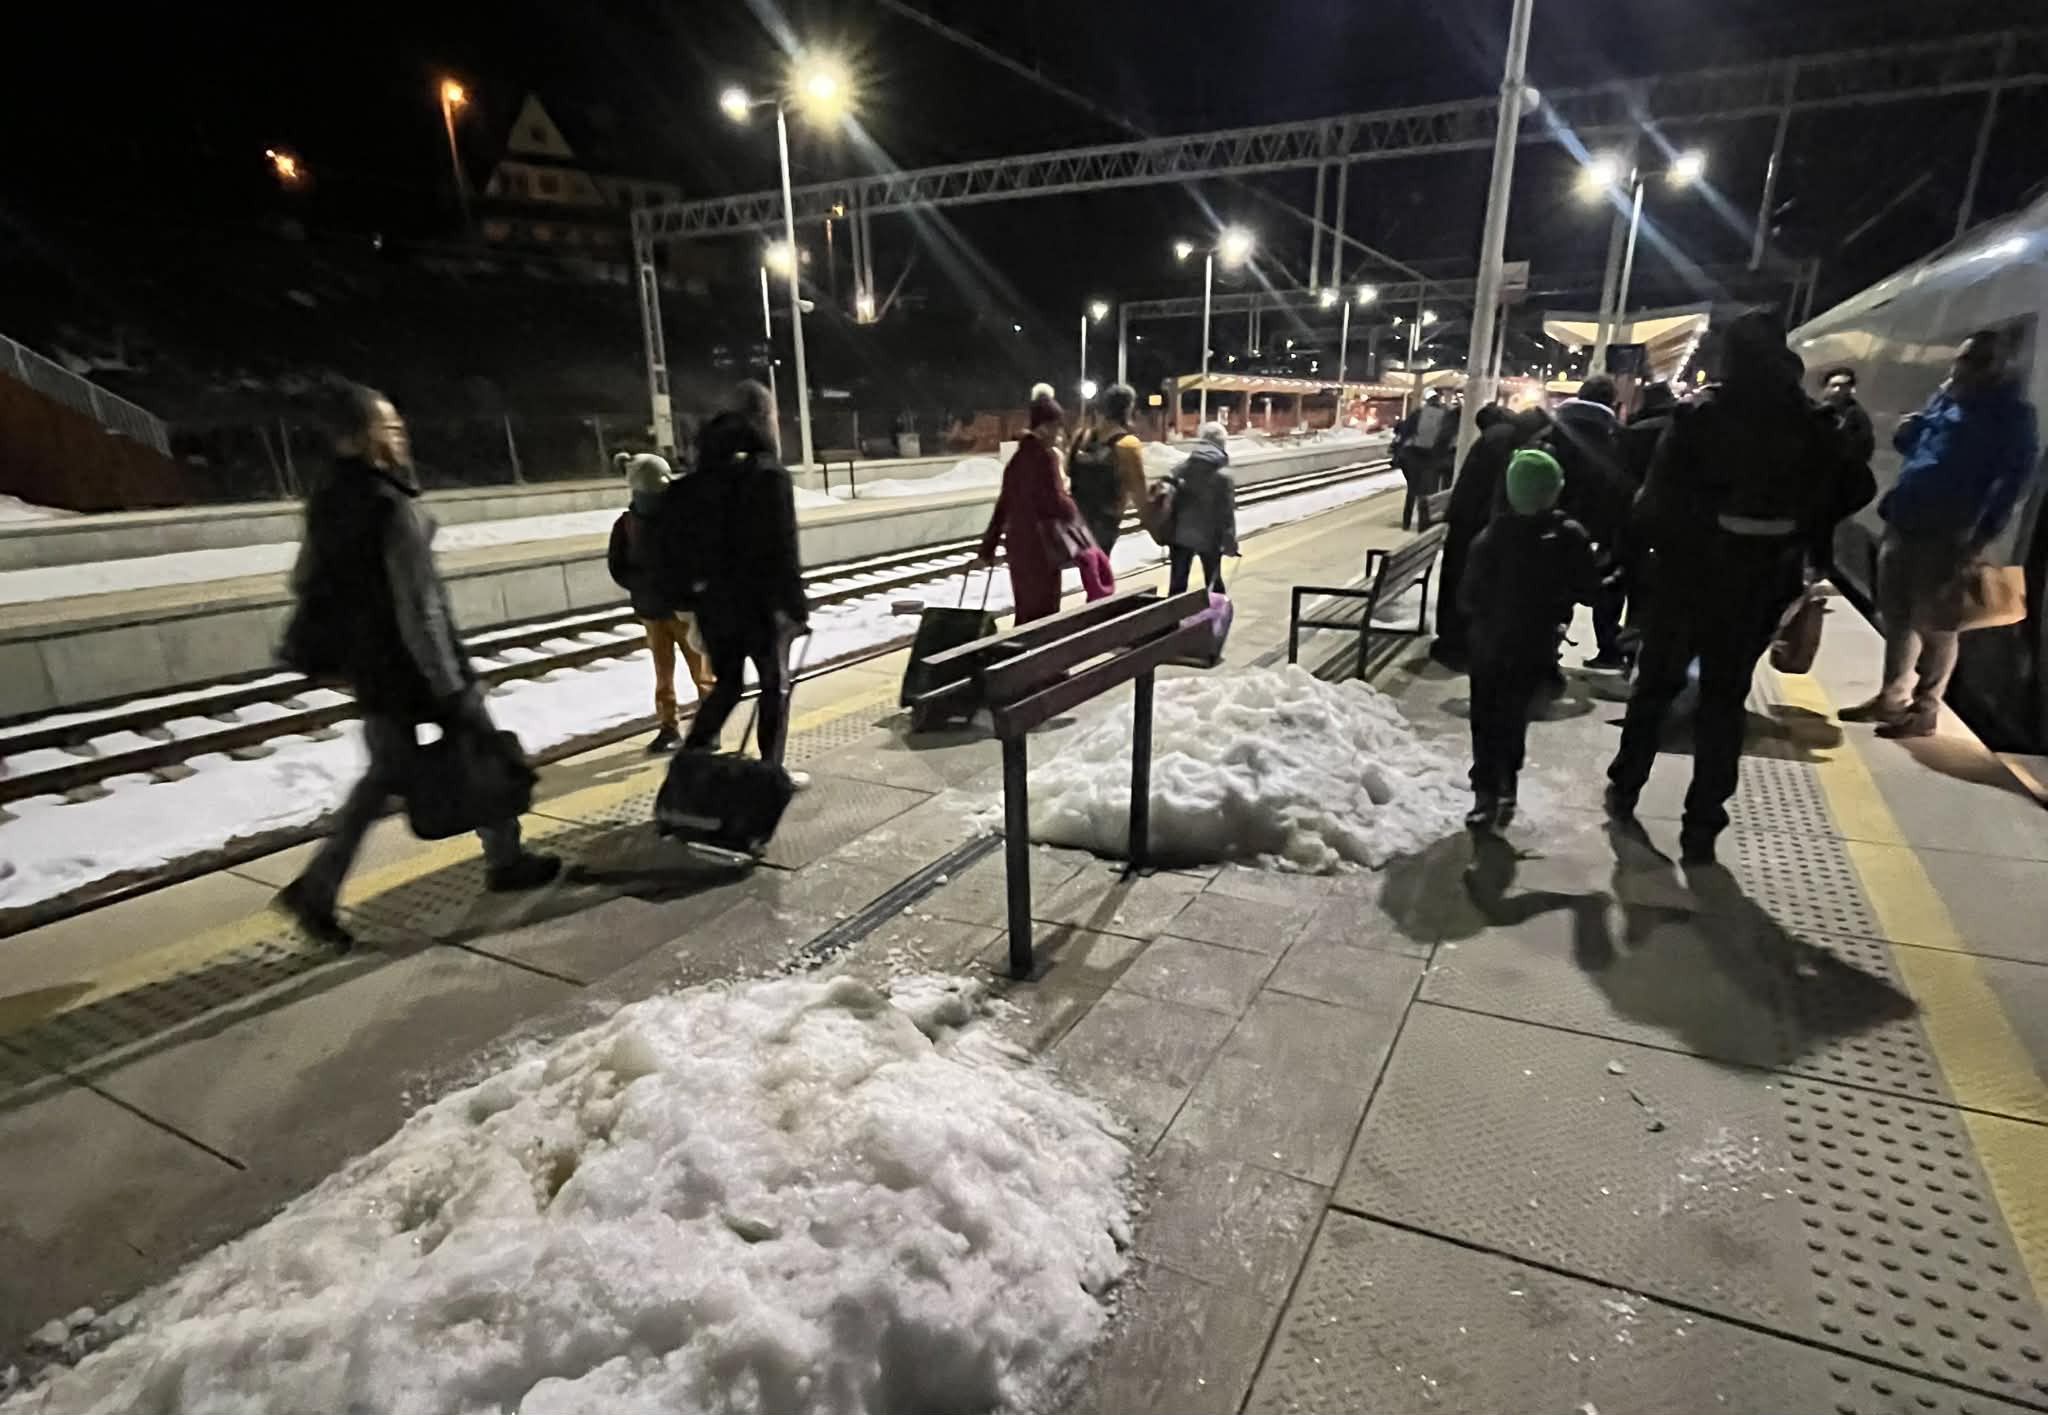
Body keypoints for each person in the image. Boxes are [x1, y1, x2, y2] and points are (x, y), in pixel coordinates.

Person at [275, 384, 560, 949]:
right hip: (420, 670)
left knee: (381, 780)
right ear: (360, 437)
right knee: (486, 752)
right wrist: (450, 684)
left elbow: (304, 580)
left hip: (375, 670)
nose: (400, 435)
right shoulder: (390, 503)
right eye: (390, 427)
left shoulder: (329, 497)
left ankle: (318, 888)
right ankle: (506, 859)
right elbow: (419, 607)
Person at [1606, 312, 1876, 862]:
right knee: (1724, 699)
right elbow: (1856, 485)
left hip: (1689, 578)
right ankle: (1703, 822)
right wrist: (1801, 523)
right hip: (1761, 581)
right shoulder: (1812, 422)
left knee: (1656, 685)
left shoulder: (1700, 417)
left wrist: (1678, 537)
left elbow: (1652, 505)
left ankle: (1627, 783)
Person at [1839, 332, 2038, 738]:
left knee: (1936, 623)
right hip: (1905, 518)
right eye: (1960, 358)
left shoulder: (2012, 415)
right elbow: (1911, 445)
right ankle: (1890, 700)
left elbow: (2013, 480)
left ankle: (1925, 710)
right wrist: (1909, 428)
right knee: (1895, 615)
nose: (1957, 367)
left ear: (1995, 366)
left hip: (1950, 531)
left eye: (1970, 360)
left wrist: (1981, 537)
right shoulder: (1947, 397)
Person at [1460, 447, 1601, 831]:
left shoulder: (1490, 537)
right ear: (1554, 491)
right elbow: (1590, 588)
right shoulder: (1568, 536)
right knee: (1514, 716)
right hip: (1534, 645)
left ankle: (1485, 793)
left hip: (1488, 646)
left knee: (1485, 719)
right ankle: (1507, 782)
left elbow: (1467, 597)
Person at [680, 381, 809, 777]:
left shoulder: (704, 471)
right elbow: (781, 549)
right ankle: (769, 773)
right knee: (773, 685)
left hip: (715, 605)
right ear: (764, 418)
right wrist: (794, 607)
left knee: (728, 684)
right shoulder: (768, 474)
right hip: (760, 605)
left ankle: (690, 764)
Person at [607, 452, 715, 753]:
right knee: (675, 674)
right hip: (663, 611)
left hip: (675, 611)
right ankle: (673, 726)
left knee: (696, 672)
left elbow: (619, 568)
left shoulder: (674, 521)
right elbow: (618, 566)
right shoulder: (628, 525)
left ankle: (702, 726)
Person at [1432, 404, 1550, 668]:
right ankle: (1456, 644)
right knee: (1463, 581)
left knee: (1455, 579)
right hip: (1474, 522)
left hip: (1465, 518)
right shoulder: (1504, 439)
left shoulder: (1499, 436)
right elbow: (1497, 488)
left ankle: (1451, 641)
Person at [979, 392, 1105, 622]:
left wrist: (988, 546)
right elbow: (1055, 501)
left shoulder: (1016, 460)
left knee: (1025, 609)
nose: (1058, 435)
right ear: (1045, 427)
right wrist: (1075, 513)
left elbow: (1003, 504)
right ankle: (1039, 656)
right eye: (1057, 428)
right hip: (1042, 547)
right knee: (1044, 612)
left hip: (1018, 547)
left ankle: (1021, 654)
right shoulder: (1045, 458)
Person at [1538, 376, 1632, 671]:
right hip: (1603, 529)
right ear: (1611, 403)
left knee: (1553, 590)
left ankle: (1547, 652)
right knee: (1606, 591)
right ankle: (1607, 649)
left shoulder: (1553, 432)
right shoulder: (1619, 437)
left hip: (1554, 524)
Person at [1066, 383, 1153, 554]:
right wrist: (1159, 532)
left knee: (1089, 571)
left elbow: (1067, 471)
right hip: (1105, 526)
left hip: (1076, 522)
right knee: (1099, 573)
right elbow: (1140, 496)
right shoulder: (1128, 445)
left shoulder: (1079, 437)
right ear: (1128, 409)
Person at [1164, 420, 1238, 594]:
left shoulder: (1181, 468)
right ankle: (1215, 618)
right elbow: (1226, 513)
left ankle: (1172, 620)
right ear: (1222, 444)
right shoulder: (1223, 475)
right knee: (1214, 584)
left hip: (1180, 536)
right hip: (1210, 538)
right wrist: (1230, 540)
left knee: (1177, 586)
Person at [1394, 390, 1456, 529]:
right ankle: (1425, 524)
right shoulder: (1445, 415)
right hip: (1432, 457)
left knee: (1412, 490)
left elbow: (1404, 431)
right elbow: (1446, 437)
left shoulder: (1418, 413)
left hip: (1414, 455)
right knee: (1429, 491)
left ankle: (1406, 522)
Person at [1819, 365, 1877, 469]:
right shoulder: (1817, 411)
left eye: (1843, 386)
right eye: (1834, 385)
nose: (1837, 391)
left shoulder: (1857, 416)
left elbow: (1863, 450)